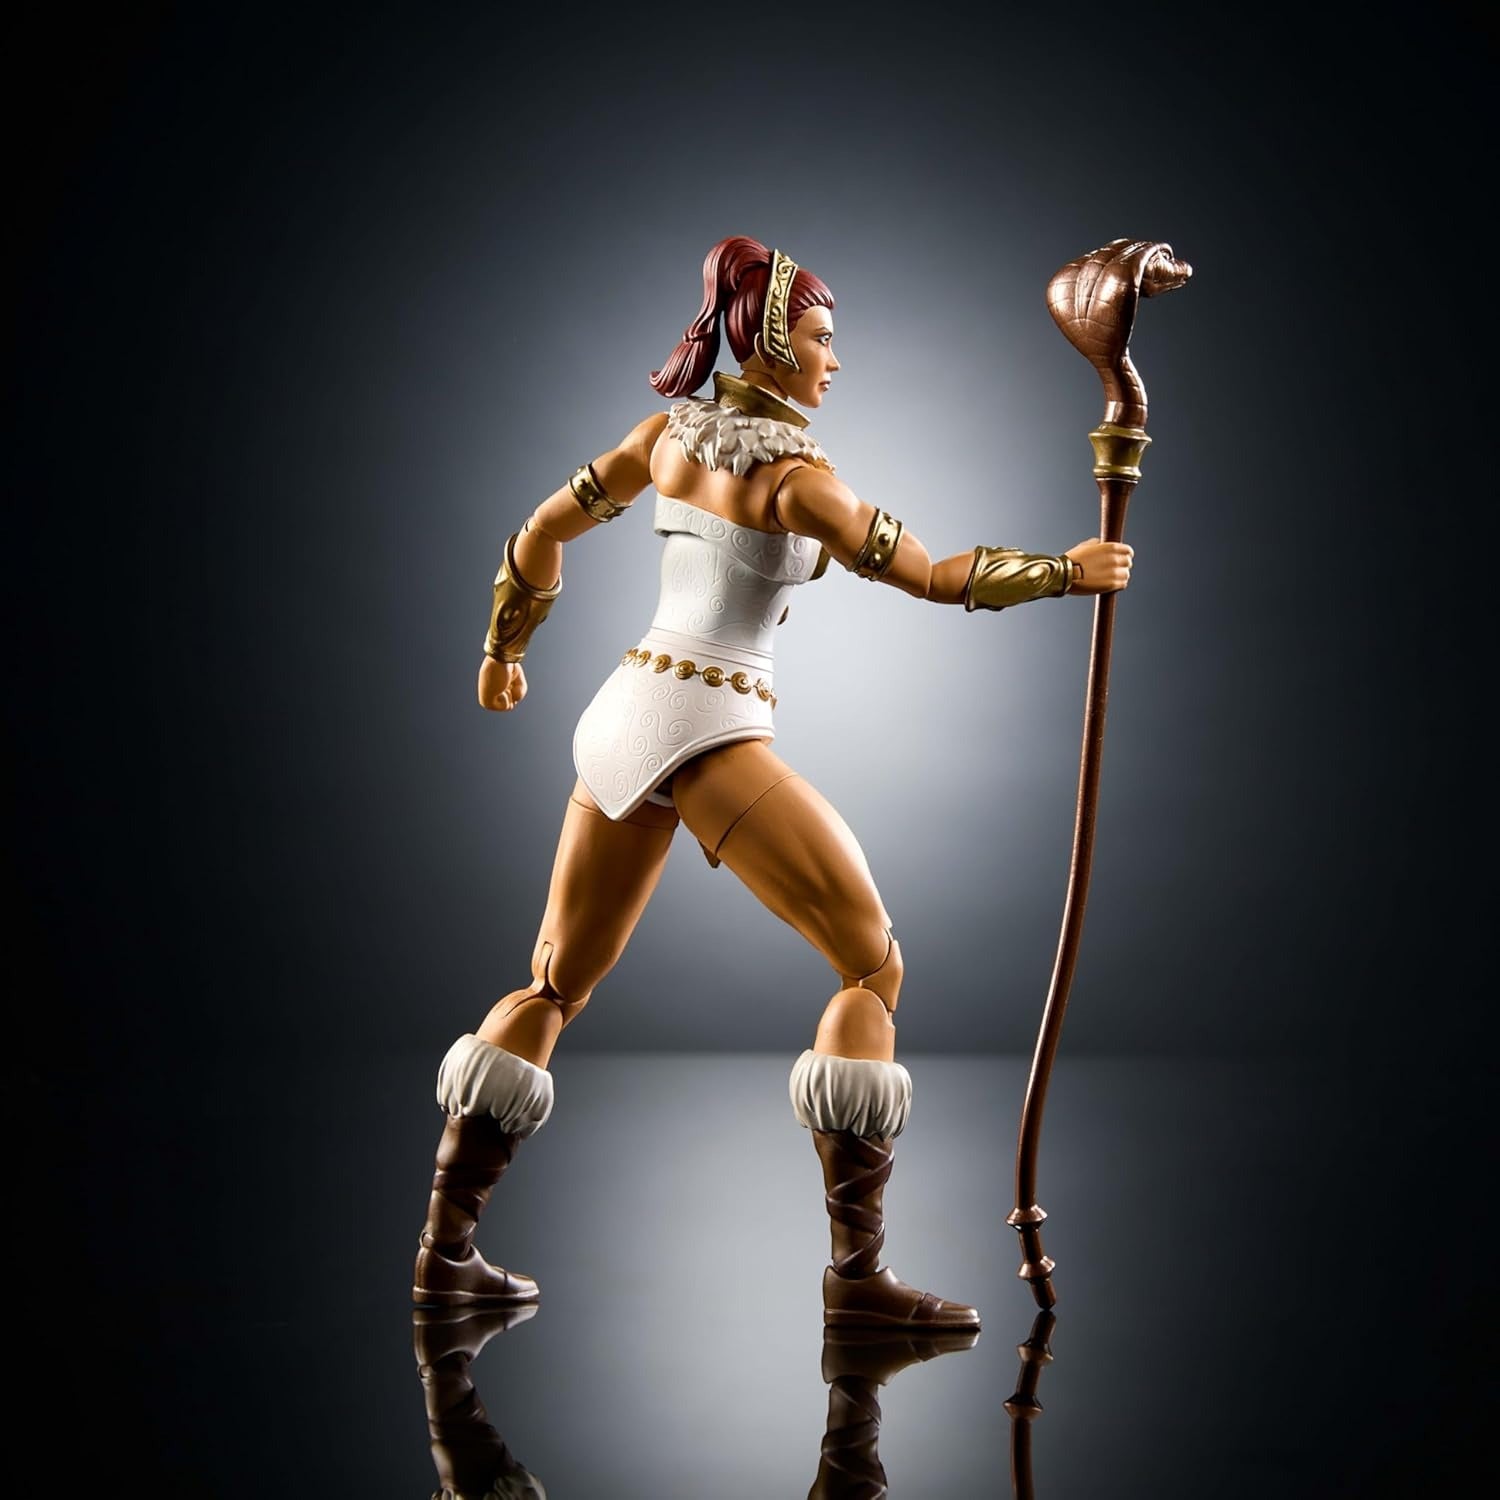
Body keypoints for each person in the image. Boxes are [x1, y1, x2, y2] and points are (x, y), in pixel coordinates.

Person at [412, 235, 1133, 1329]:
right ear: (774, 343)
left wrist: (503, 647)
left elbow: (542, 528)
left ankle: (443, 1257)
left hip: (620, 716)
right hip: (708, 730)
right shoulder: (797, 482)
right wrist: (1064, 572)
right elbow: (935, 577)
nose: (836, 360)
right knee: (871, 965)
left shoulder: (662, 438)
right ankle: (858, 1284)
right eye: (823, 338)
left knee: (553, 984)